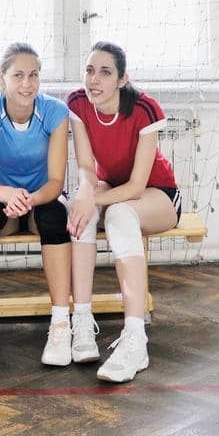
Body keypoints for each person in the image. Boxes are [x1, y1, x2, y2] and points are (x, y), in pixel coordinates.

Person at [66, 41, 182, 383]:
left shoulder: (145, 109)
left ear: (122, 79)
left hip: (156, 192)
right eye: (89, 70)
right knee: (79, 210)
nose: (94, 80)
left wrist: (96, 199)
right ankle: (82, 321)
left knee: (118, 214)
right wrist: (86, 194)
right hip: (111, 185)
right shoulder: (77, 103)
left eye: (105, 72)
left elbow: (135, 186)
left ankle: (135, 339)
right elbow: (88, 167)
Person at [0, 41, 71, 369]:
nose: (27, 83)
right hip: (3, 201)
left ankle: (61, 324)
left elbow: (55, 182)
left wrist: (30, 199)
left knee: (55, 217)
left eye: (34, 75)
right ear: (3, 79)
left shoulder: (55, 112)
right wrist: (9, 196)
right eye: (18, 75)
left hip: (41, 198)